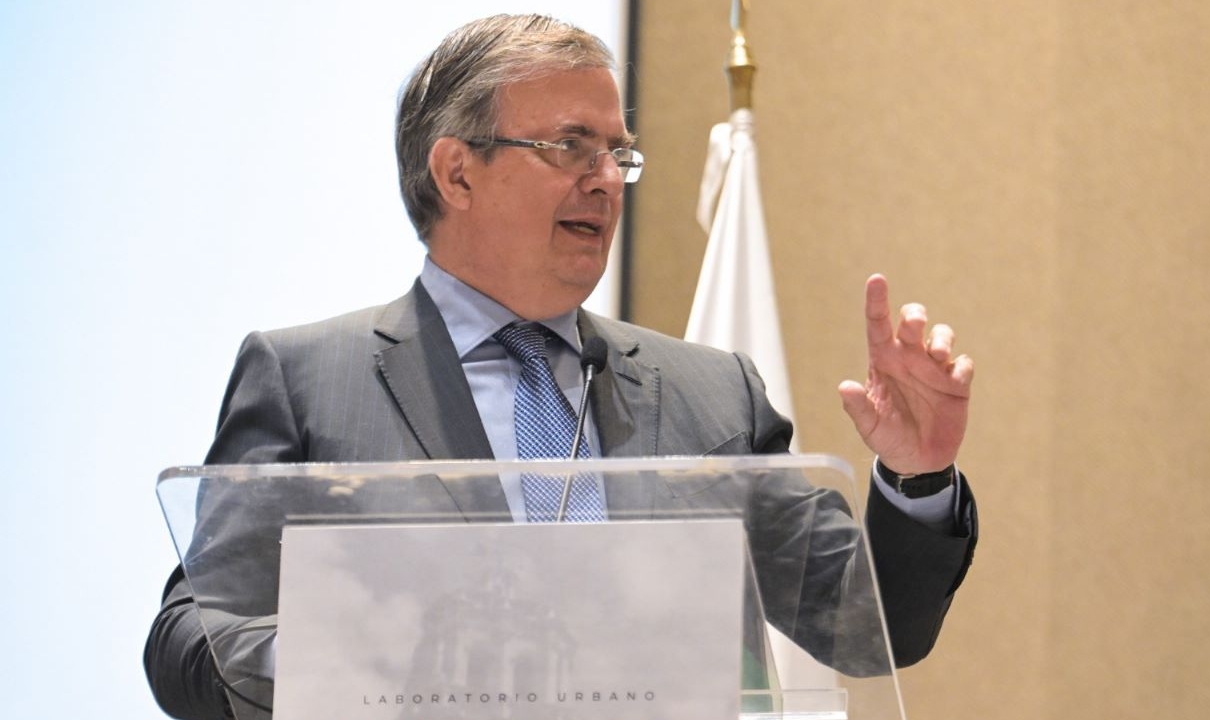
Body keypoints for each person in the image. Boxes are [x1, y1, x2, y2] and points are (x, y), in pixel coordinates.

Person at [144, 13, 977, 720]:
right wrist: (352, 663)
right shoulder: (308, 381)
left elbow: (870, 629)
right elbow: (192, 636)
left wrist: (917, 478)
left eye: (618, 153)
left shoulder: (711, 394)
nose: (608, 180)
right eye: (571, 147)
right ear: (457, 172)